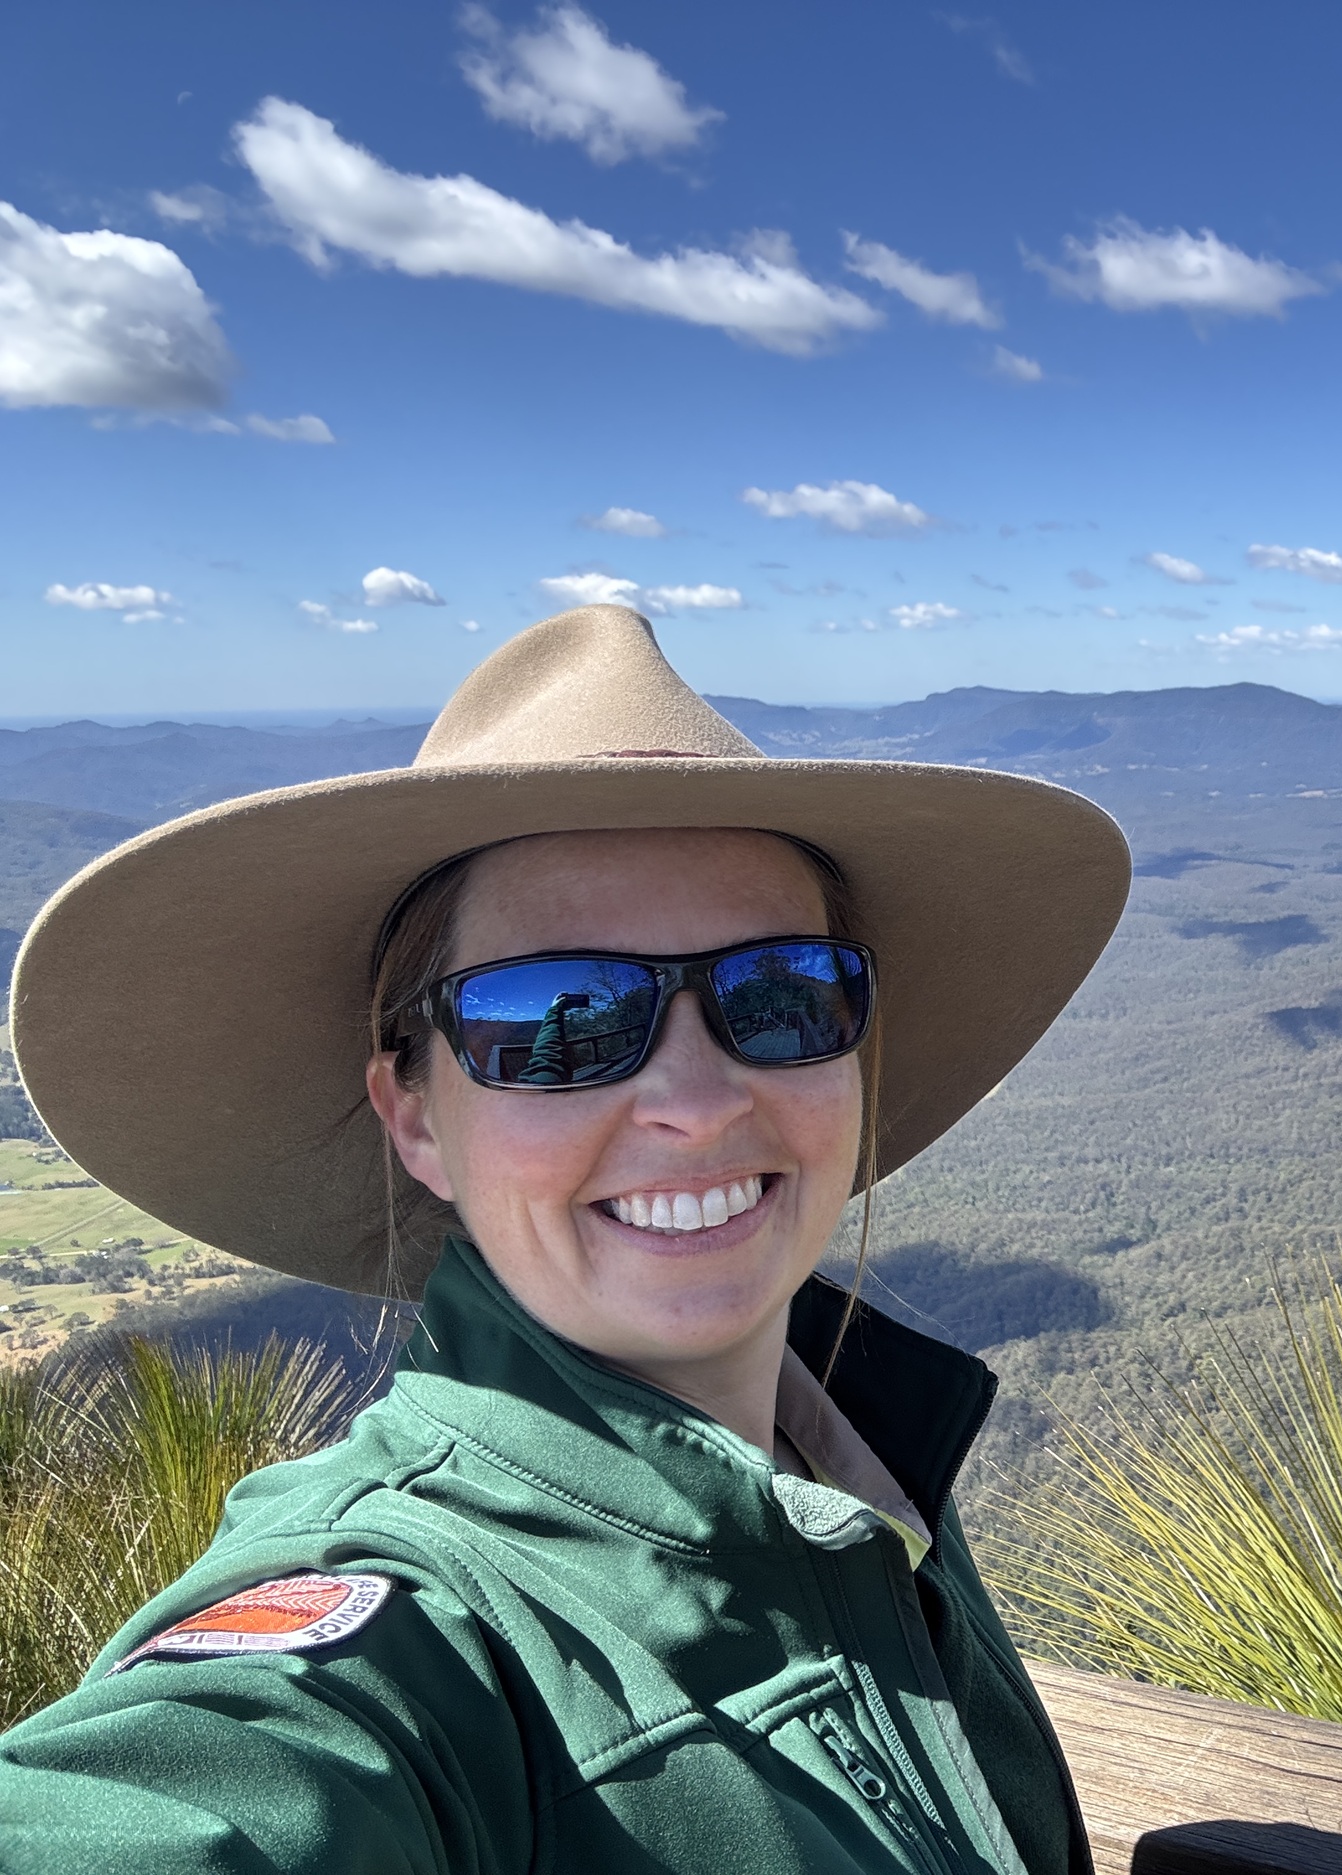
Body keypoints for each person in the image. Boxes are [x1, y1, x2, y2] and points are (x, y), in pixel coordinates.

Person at [0, 606, 1131, 1875]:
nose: (697, 1102)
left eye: (781, 991)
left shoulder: (858, 1474)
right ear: (415, 1114)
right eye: (559, 1016)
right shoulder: (401, 1639)